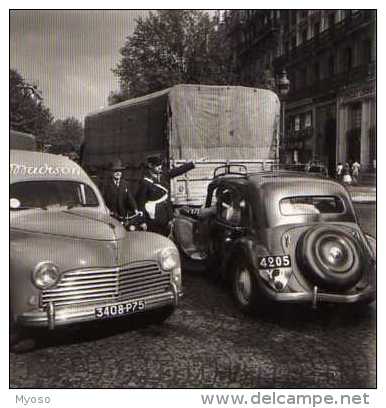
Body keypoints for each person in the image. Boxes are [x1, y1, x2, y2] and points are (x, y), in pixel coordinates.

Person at [136, 156, 195, 235]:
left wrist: (191, 164)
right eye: (157, 165)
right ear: (150, 166)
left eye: (160, 165)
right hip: (154, 216)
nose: (160, 167)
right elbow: (140, 203)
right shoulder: (145, 181)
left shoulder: (163, 175)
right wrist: (142, 221)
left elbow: (177, 171)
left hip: (167, 213)